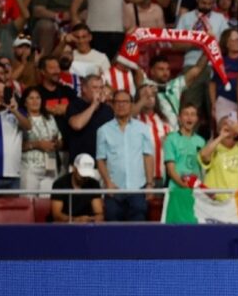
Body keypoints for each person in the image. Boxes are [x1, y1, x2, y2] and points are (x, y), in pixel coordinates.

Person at [95, 89, 155, 222]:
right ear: (112, 105)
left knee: (138, 234)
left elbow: (148, 157)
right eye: (117, 102)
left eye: (125, 102)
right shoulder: (103, 130)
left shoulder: (143, 128)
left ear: (132, 105)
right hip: (113, 190)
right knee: (112, 234)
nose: (121, 105)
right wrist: (108, 182)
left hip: (138, 190)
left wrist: (150, 184)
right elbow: (100, 159)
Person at [199, 115, 238, 193]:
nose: (228, 127)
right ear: (219, 130)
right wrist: (221, 136)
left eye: (231, 125)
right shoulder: (214, 148)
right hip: (218, 201)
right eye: (224, 125)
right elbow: (204, 155)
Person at [19, 86, 61, 195]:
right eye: (31, 98)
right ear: (25, 102)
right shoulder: (21, 119)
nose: (35, 101)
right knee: (29, 202)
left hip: (50, 168)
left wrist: (57, 143)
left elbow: (60, 140)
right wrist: (37, 144)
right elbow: (15, 146)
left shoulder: (49, 118)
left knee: (46, 205)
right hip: (30, 169)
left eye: (38, 98)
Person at [50, 154, 105, 223]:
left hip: (86, 226)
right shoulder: (60, 184)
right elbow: (56, 215)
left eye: (87, 175)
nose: (84, 178)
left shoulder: (94, 184)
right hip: (64, 226)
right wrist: (76, 220)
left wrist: (93, 219)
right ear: (74, 168)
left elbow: (99, 213)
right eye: (82, 174)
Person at [163, 104, 207, 187]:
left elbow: (204, 169)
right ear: (179, 118)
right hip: (176, 189)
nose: (189, 118)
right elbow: (170, 170)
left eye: (193, 114)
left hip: (196, 191)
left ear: (197, 118)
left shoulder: (201, 141)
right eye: (186, 114)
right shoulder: (171, 139)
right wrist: (184, 185)